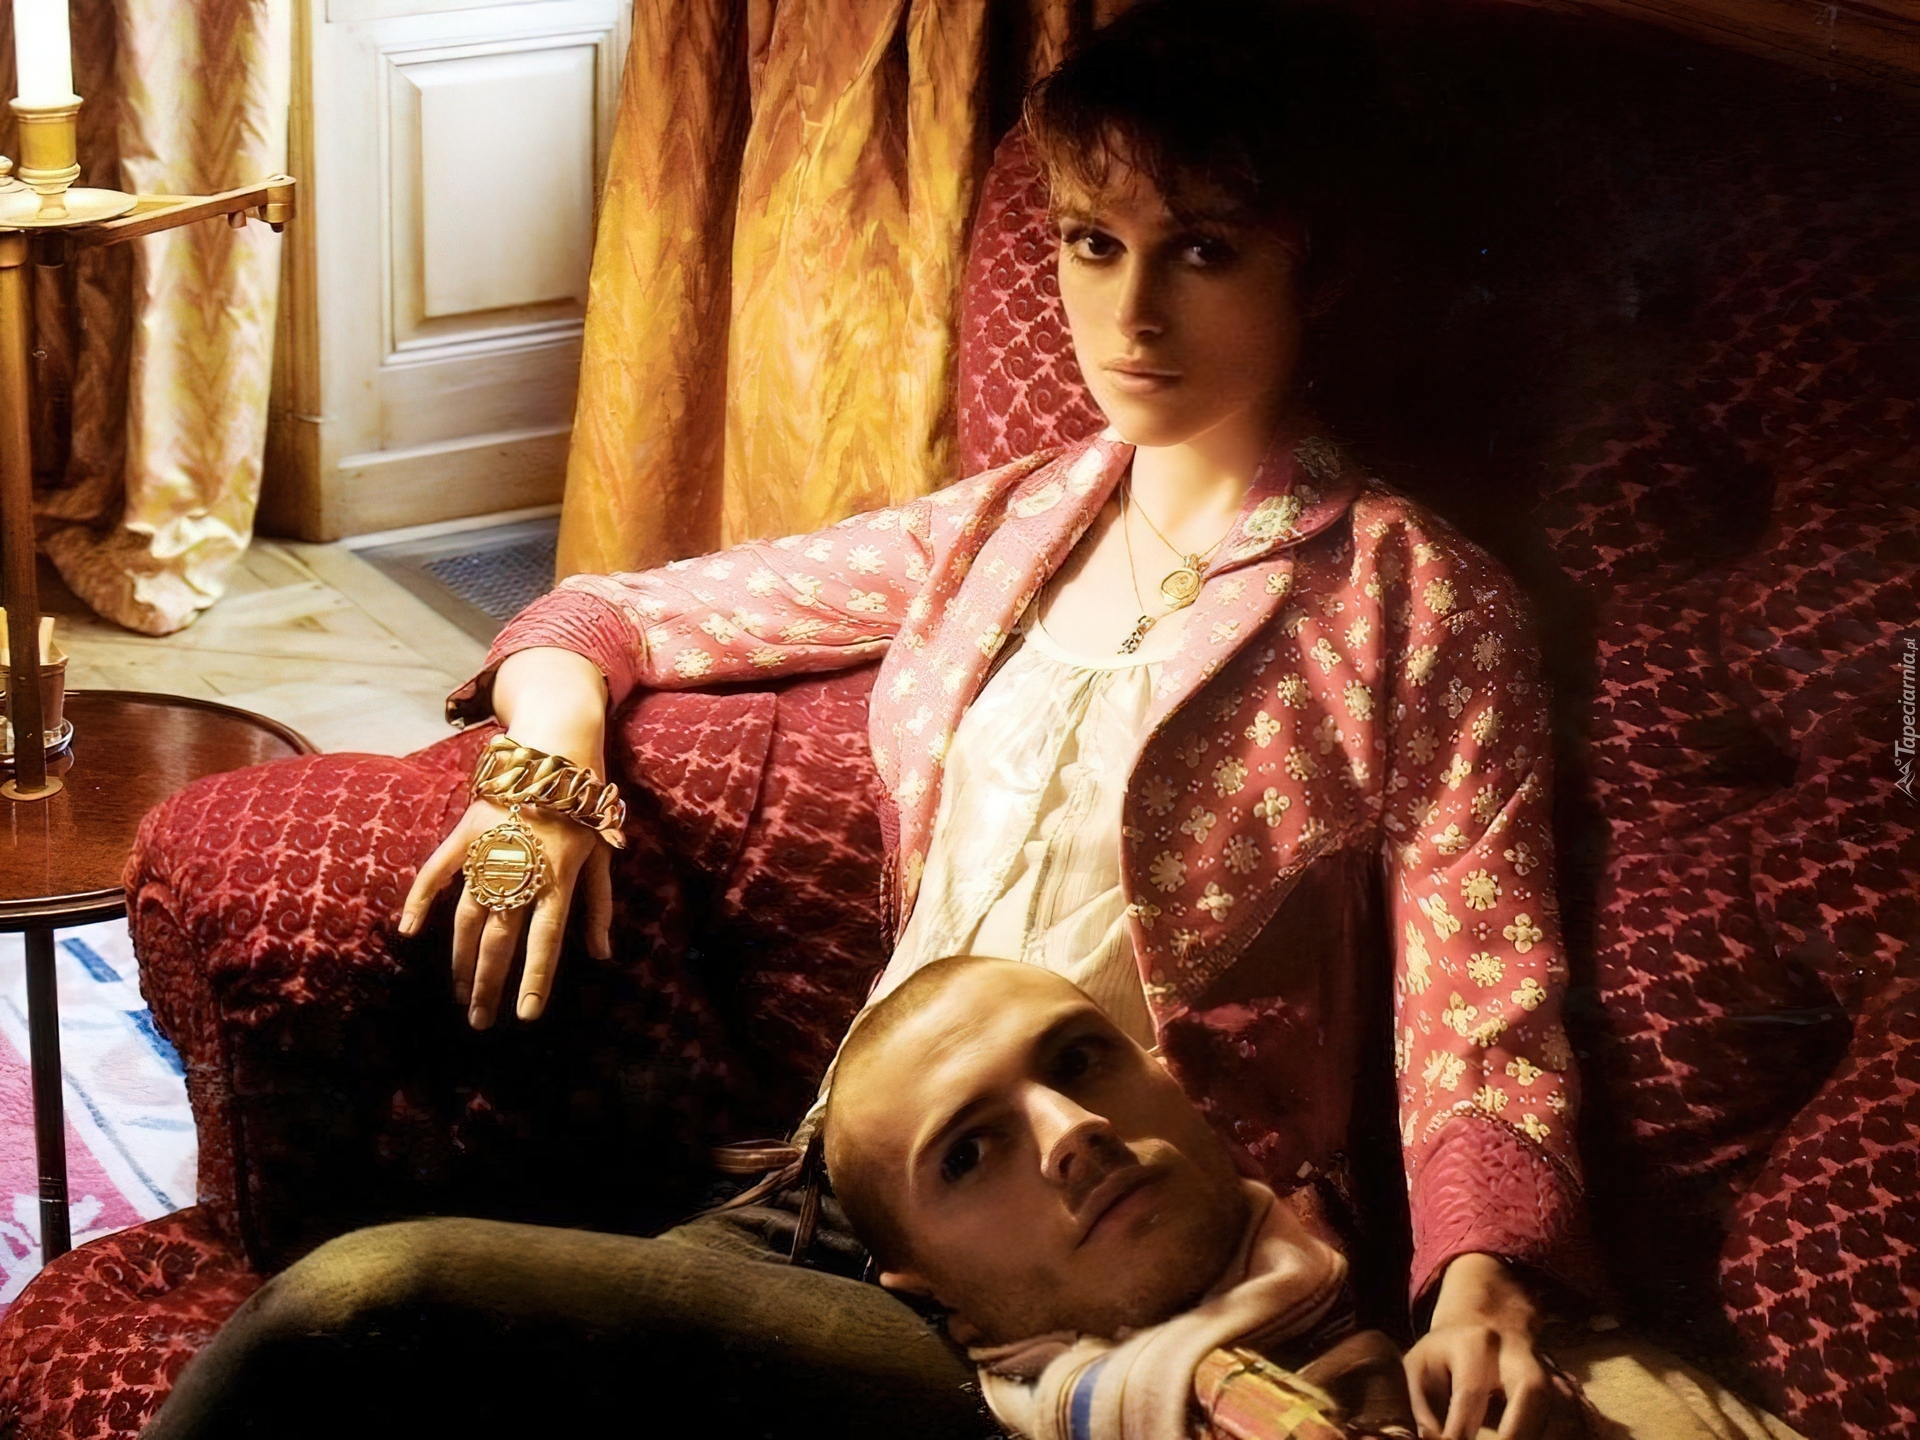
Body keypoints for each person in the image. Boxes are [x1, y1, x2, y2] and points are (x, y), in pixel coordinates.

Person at [141, 5, 1801, 1439]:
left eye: (1204, 250)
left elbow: (1479, 981)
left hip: (1102, 1272)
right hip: (846, 1200)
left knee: (371, 1310)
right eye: (1093, 244)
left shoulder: (1414, 601)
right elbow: (615, 614)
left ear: (1320, 267)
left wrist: (1481, 1274)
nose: (1132, 314)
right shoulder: (1003, 527)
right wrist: (543, 778)